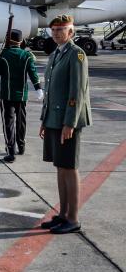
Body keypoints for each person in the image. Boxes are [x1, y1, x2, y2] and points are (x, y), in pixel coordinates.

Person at [39, 15, 91, 234]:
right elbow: (50, 91)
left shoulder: (76, 55)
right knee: (60, 168)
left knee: (70, 168)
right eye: (54, 30)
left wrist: (69, 123)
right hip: (54, 119)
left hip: (67, 120)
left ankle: (73, 218)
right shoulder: (55, 54)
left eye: (62, 29)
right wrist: (44, 119)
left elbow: (76, 93)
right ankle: (63, 214)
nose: (57, 33)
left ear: (71, 32)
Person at [0, 29, 43, 162]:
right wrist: (38, 88)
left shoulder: (3, 55)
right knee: (21, 121)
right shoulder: (27, 55)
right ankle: (21, 145)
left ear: (9, 40)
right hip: (21, 95)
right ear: (21, 41)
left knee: (8, 122)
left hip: (7, 95)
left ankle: (10, 151)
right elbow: (33, 73)